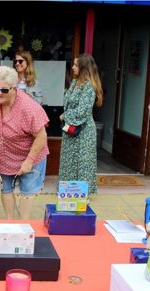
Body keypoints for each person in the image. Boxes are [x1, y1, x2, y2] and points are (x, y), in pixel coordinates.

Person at [0, 66, 49, 220]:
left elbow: (41, 136)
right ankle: (9, 222)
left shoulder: (29, 107)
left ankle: (23, 224)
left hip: (30, 153)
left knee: (28, 190)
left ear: (14, 88)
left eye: (4, 90)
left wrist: (29, 161)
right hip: (4, 154)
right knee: (6, 188)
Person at [59, 53, 103, 194]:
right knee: (69, 162)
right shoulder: (74, 83)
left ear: (83, 67)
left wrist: (65, 116)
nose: (72, 67)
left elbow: (83, 110)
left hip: (83, 131)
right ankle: (68, 194)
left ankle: (82, 195)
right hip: (71, 129)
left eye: (76, 65)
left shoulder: (89, 87)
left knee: (82, 164)